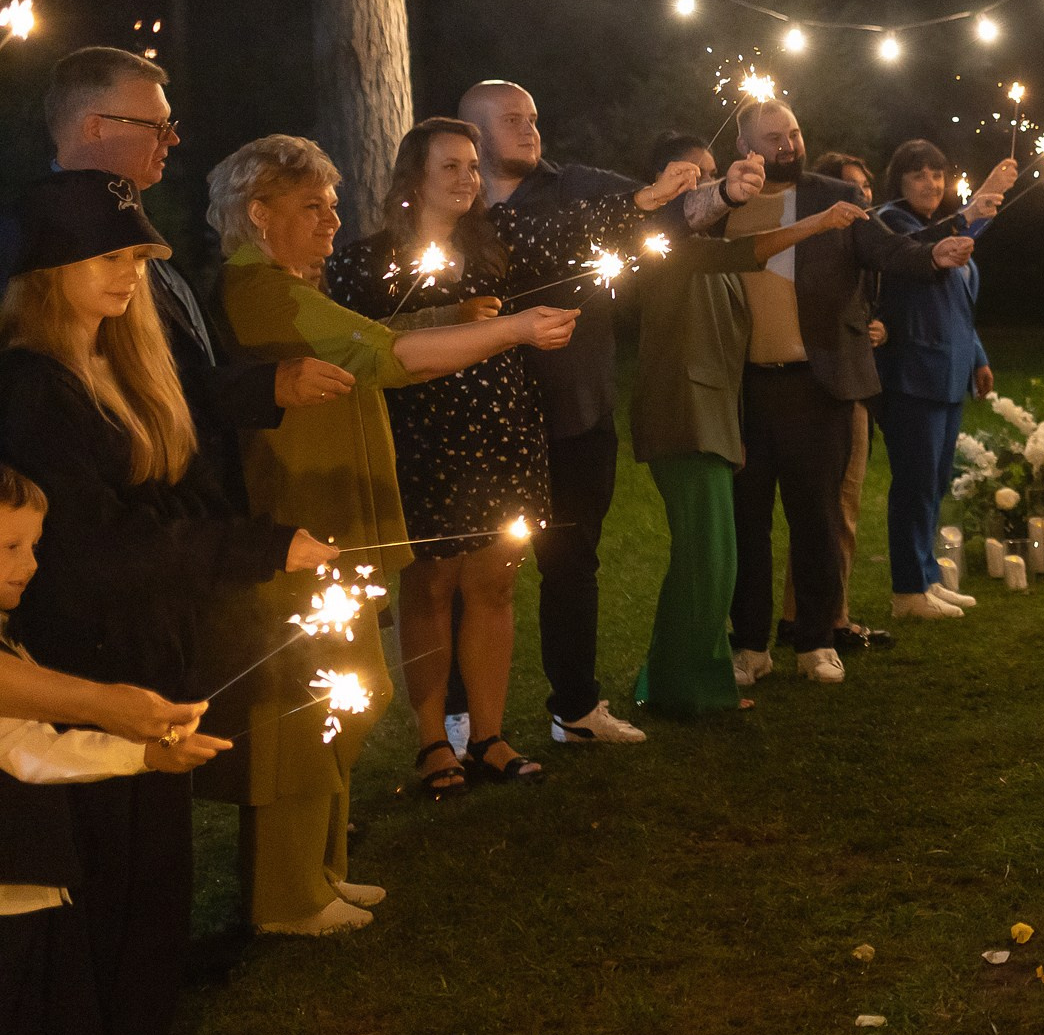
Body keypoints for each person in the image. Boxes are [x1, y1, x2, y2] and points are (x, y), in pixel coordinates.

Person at [0, 170, 336, 1035]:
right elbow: (95, 550)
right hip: (82, 662)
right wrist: (253, 549)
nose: (130, 272)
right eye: (109, 256)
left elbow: (171, 497)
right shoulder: (32, 388)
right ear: (47, 268)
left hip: (156, 648)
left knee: (155, 882)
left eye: (139, 255)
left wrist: (256, 541)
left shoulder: (127, 363)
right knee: (99, 881)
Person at [207, 134, 576, 920]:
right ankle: (287, 892)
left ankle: (323, 865)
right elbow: (390, 354)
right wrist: (511, 332)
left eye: (335, 204)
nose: (332, 221)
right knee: (312, 697)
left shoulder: (286, 284)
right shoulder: (261, 290)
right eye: (312, 206)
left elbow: (389, 351)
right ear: (257, 213)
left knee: (346, 690)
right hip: (298, 515)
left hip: (332, 512)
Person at [329, 118, 693, 790]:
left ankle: (490, 736)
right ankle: (434, 739)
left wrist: (642, 201)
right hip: (424, 438)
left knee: (494, 582)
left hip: (503, 430)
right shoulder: (363, 262)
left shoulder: (501, 245)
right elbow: (354, 342)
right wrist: (446, 322)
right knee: (433, 584)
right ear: (413, 179)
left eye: (473, 166)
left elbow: (571, 230)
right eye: (451, 167)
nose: (469, 178)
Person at [451, 79, 749, 748]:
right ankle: (460, 713)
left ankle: (575, 708)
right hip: (479, 420)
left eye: (533, 116)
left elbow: (661, 212)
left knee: (571, 561)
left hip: (575, 409)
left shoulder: (581, 185)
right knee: (471, 569)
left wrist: (722, 192)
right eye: (510, 120)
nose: (530, 128)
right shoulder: (455, 204)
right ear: (472, 135)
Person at [3, 48, 355, 500]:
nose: (172, 140)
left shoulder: (152, 245)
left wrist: (268, 386)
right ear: (95, 127)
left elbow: (176, 372)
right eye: (156, 127)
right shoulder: (27, 248)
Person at [0, 463, 233, 1035]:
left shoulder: (11, 641)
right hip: (10, 889)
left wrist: (146, 753)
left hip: (34, 885)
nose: (30, 564)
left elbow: (32, 744)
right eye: (10, 546)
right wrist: (114, 716)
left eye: (34, 544)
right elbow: (29, 751)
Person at [721, 102, 980, 681]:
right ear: (745, 148)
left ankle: (815, 641)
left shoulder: (832, 195)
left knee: (817, 519)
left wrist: (933, 254)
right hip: (744, 388)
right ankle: (751, 646)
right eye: (774, 137)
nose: (789, 144)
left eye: (794, 131)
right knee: (747, 522)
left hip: (819, 383)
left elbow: (885, 249)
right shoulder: (727, 203)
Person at [627, 131, 870, 717]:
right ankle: (687, 682)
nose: (710, 188)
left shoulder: (703, 240)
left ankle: (683, 676)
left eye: (711, 176)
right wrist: (815, 224)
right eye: (690, 177)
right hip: (685, 416)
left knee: (714, 555)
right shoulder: (661, 241)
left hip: (716, 415)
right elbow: (750, 251)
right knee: (707, 556)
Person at [871, 136, 1016, 629]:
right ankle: (908, 588)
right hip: (912, 374)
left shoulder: (944, 232)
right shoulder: (891, 223)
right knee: (913, 484)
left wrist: (977, 356)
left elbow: (958, 304)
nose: (930, 183)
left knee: (934, 482)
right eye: (918, 175)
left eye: (937, 174)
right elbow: (923, 250)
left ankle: (927, 576)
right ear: (899, 182)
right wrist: (982, 202)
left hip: (949, 372)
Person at [810, 149, 885, 643]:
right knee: (827, 509)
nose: (860, 197)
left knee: (846, 504)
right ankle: (823, 619)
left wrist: (876, 325)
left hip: (855, 380)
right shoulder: (817, 248)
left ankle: (830, 613)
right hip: (826, 385)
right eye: (849, 189)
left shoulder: (863, 239)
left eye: (864, 187)